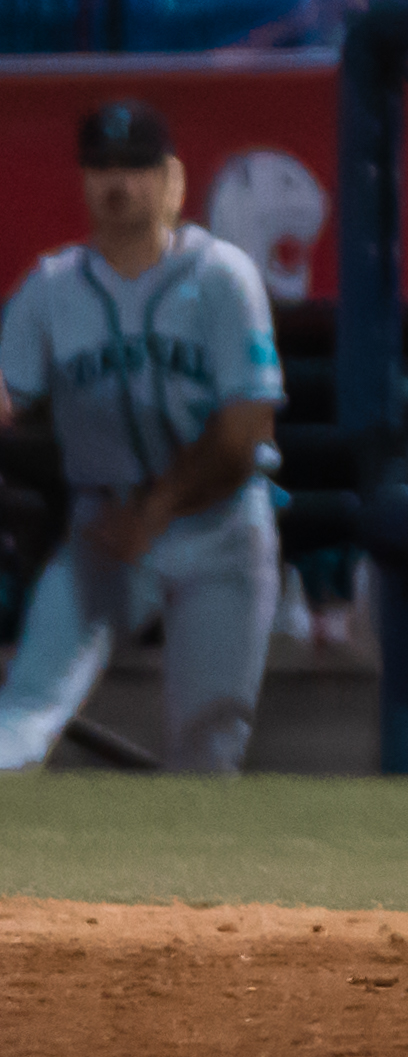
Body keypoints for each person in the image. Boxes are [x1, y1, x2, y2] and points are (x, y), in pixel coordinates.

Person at [0, 102, 287, 773]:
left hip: (218, 525)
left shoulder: (221, 276)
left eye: (134, 166)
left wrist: (155, 513)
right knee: (22, 713)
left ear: (170, 178)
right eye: (101, 166)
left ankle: (184, 882)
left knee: (207, 743)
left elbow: (245, 432)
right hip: (103, 526)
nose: (117, 182)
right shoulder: (51, 287)